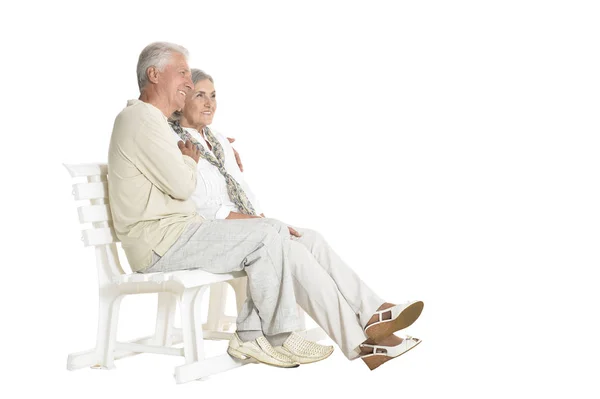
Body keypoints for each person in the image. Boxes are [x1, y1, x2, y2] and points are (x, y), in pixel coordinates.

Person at [168, 68, 425, 370]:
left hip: (246, 228)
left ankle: (372, 313)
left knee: (309, 238)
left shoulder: (218, 140)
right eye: (200, 95)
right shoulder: (174, 143)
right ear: (182, 99)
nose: (210, 103)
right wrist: (263, 227)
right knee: (292, 252)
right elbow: (204, 207)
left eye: (213, 96)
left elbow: (241, 191)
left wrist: (263, 222)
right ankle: (362, 343)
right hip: (211, 237)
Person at [108, 42, 333, 369]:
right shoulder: (140, 119)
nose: (188, 81)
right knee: (267, 234)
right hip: (159, 244)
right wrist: (188, 160)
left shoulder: (153, 122)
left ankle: (254, 335)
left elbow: (177, 158)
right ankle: (272, 335)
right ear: (153, 74)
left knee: (268, 231)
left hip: (179, 233)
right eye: (182, 72)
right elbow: (183, 185)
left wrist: (212, 146)